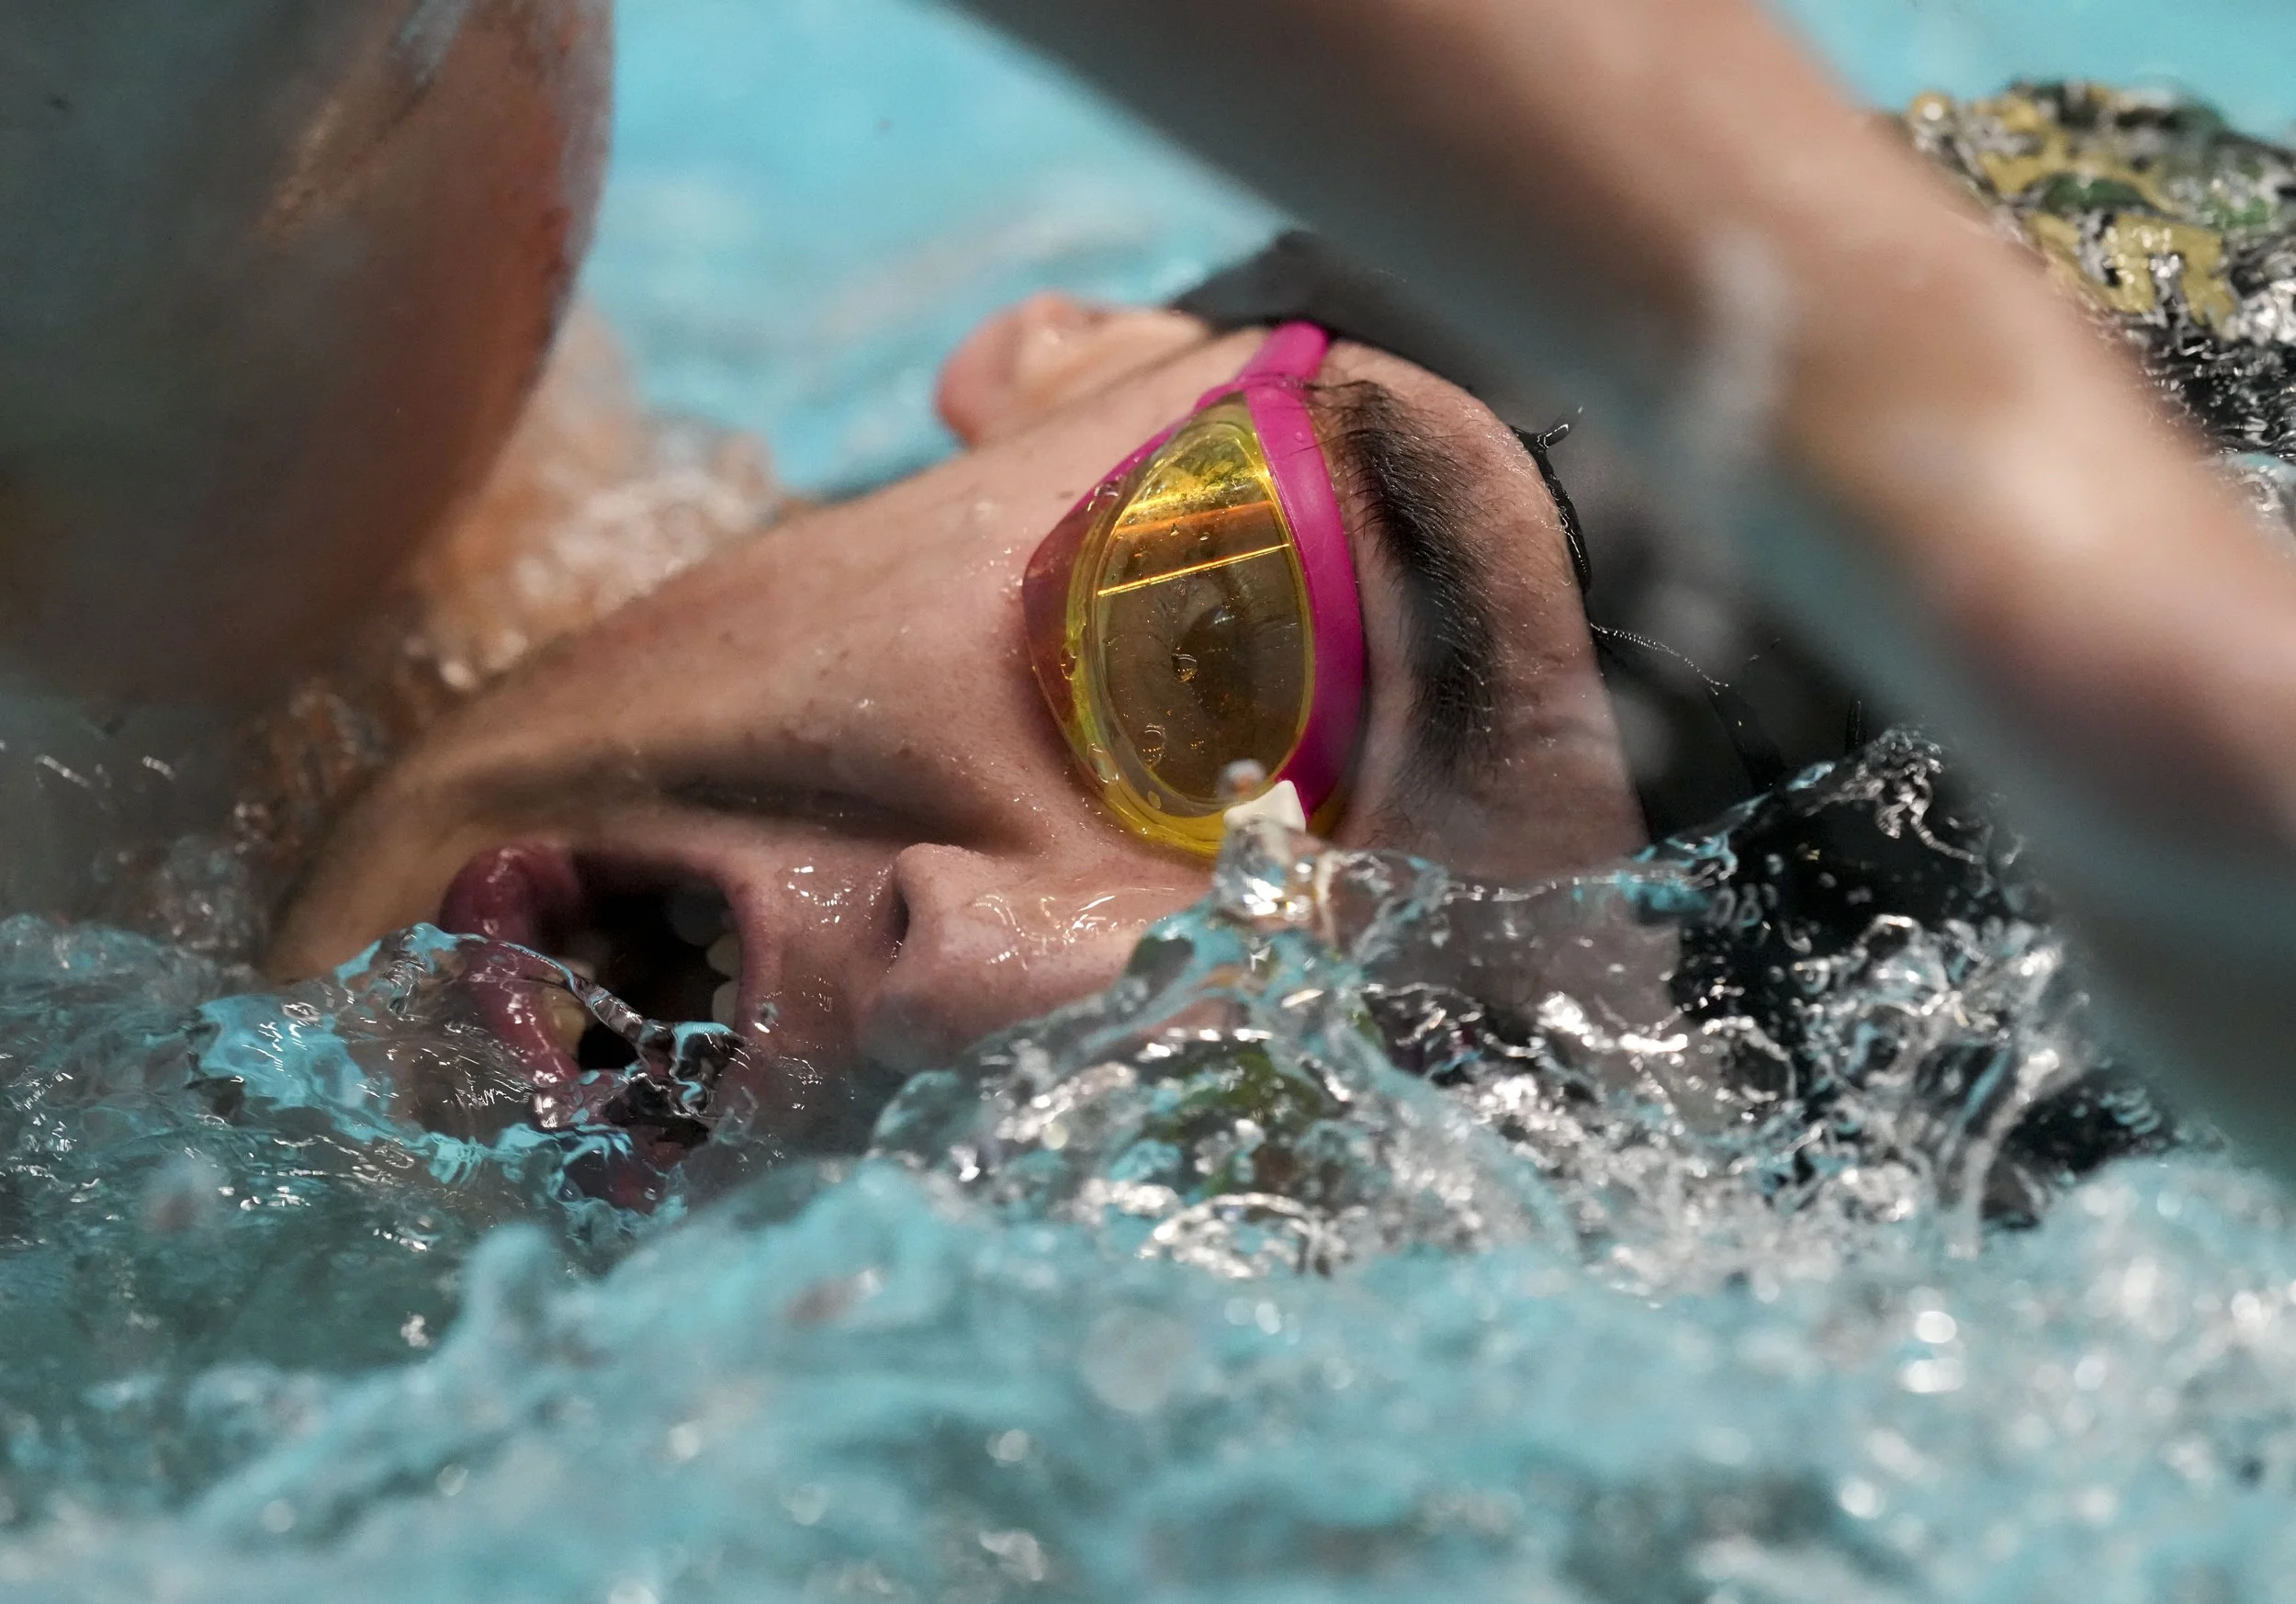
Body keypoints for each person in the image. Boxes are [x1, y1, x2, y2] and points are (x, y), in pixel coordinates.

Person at [6, 1, 2295, 1170]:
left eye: (1427, 1106)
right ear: (1072, 362)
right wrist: (1996, 515)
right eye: (1212, 648)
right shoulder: (161, 430)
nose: (998, 985)